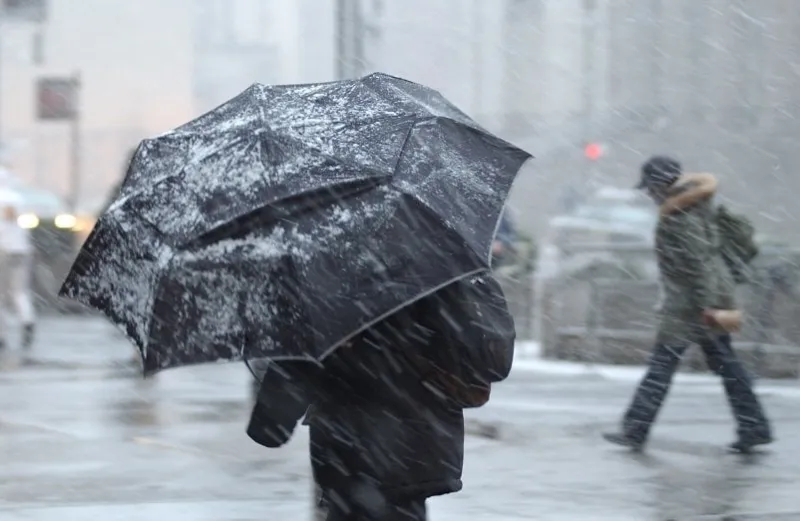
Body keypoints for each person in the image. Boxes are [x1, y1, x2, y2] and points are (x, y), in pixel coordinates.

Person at [247, 274, 515, 521]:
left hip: (352, 453)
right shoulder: (436, 265)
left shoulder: (336, 274)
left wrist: (270, 421)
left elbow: (299, 362)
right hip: (419, 450)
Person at [603, 156, 772, 454]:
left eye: (651, 187)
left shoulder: (680, 216)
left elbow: (699, 265)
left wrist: (707, 306)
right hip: (705, 299)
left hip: (692, 306)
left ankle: (635, 430)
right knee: (725, 367)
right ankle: (754, 427)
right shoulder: (696, 208)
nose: (649, 194)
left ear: (663, 184)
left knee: (662, 367)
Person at [0, 203, 36, 349]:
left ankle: (2, 334)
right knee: (19, 292)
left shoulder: (2, 227)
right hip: (21, 257)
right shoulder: (21, 228)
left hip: (3, 256)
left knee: (1, 297)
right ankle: (27, 320)